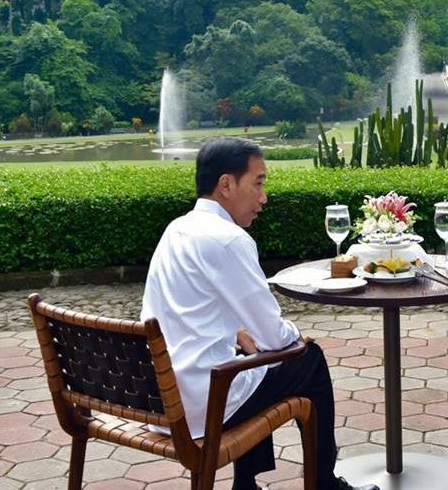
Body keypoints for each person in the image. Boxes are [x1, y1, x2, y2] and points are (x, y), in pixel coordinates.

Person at [141, 138, 378, 490]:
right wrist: (295, 337)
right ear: (226, 184)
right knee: (309, 359)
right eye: (259, 183)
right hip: (201, 407)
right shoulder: (228, 239)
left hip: (159, 397)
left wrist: (239, 333)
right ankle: (324, 483)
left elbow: (181, 309)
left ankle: (247, 484)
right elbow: (275, 336)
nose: (264, 197)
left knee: (250, 358)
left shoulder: (177, 229)